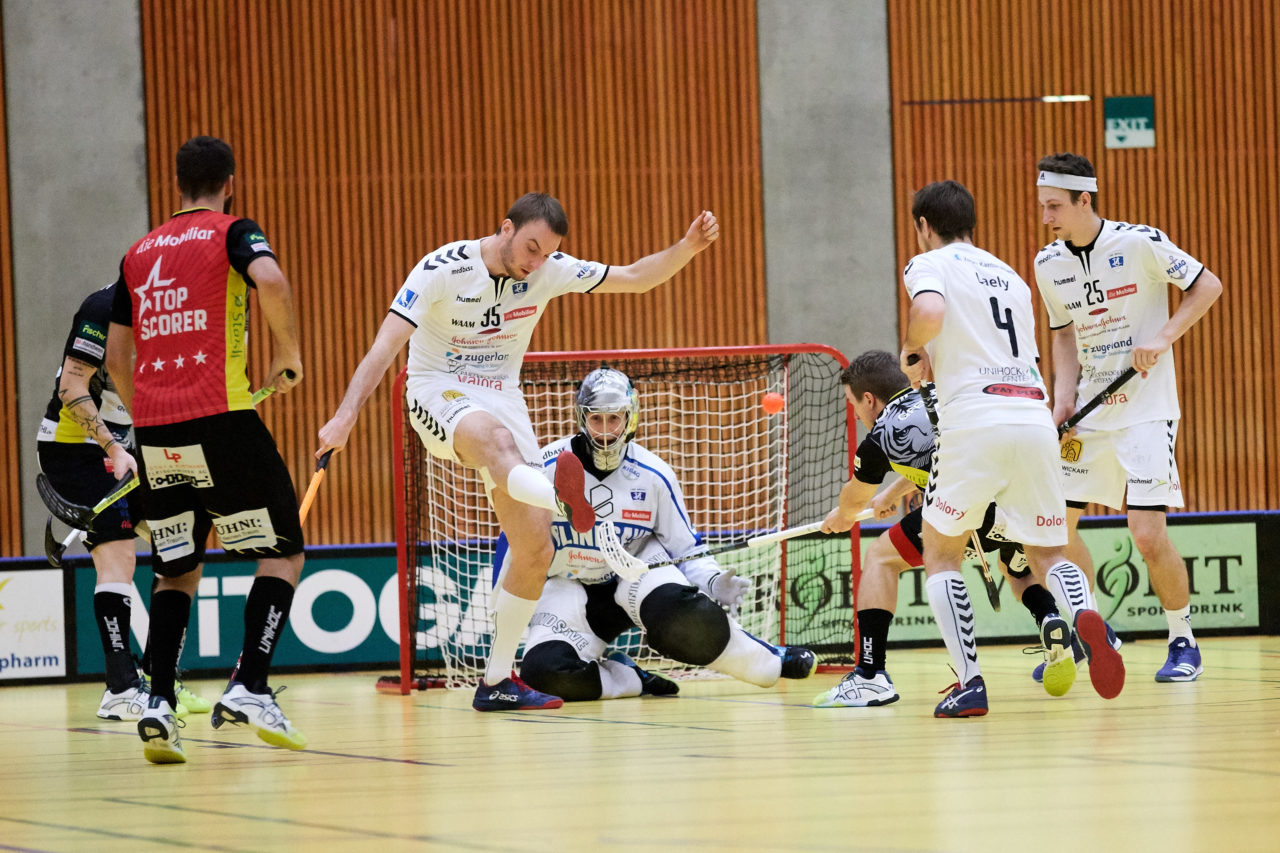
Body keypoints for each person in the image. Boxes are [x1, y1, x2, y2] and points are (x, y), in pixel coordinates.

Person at [316, 193, 719, 711]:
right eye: (530, 247)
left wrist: (686, 247)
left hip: (502, 394)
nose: (535, 262)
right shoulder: (442, 268)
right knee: (496, 442)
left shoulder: (548, 271)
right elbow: (384, 347)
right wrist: (346, 414)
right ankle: (563, 500)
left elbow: (637, 277)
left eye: (545, 254)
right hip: (437, 388)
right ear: (505, 228)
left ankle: (495, 681)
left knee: (534, 548)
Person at [106, 136, 306, 763]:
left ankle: (159, 701)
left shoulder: (136, 254)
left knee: (176, 569)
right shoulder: (233, 232)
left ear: (175, 185)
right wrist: (287, 355)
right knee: (282, 553)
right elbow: (268, 278)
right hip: (224, 419)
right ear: (230, 182)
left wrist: (149, 417)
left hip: (157, 434)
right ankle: (248, 686)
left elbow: (115, 358)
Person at [898, 179, 1124, 718]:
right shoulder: (1012, 276)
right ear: (972, 222)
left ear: (924, 226)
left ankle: (970, 683)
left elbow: (929, 312)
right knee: (1047, 553)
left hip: (975, 419)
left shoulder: (927, 264)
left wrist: (911, 349)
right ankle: (1087, 618)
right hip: (1033, 417)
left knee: (942, 552)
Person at [500, 367, 815, 700]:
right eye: (596, 419)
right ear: (582, 418)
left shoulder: (654, 475)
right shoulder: (543, 468)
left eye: (614, 419)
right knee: (544, 674)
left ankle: (770, 659)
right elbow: (516, 543)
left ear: (630, 418)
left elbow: (685, 547)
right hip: (570, 587)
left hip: (636, 576)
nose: (606, 431)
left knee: (687, 622)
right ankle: (630, 678)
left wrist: (713, 581)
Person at [1034, 153, 1222, 683]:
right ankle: (1097, 631)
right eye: (1043, 204)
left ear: (1083, 199)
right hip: (1088, 415)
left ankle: (1182, 641)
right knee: (1055, 532)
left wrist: (1162, 337)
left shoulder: (1140, 242)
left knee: (1145, 533)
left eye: (1055, 205)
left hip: (1145, 409)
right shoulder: (1048, 263)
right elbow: (1064, 334)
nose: (1046, 215)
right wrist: (1062, 399)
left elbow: (1208, 286)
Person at [812, 350, 1074, 708]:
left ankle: (871, 676)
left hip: (963, 507)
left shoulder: (879, 437)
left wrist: (843, 515)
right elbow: (942, 450)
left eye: (854, 405)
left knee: (880, 558)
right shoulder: (941, 393)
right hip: (1018, 490)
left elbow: (854, 500)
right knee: (1018, 571)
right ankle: (1050, 617)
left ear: (869, 399)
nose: (857, 415)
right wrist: (892, 491)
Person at [35, 285, 210, 721]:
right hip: (72, 446)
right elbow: (70, 386)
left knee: (182, 548)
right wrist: (113, 449)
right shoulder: (102, 307)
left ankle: (157, 679)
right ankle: (119, 687)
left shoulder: (175, 312)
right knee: (119, 555)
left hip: (129, 448)